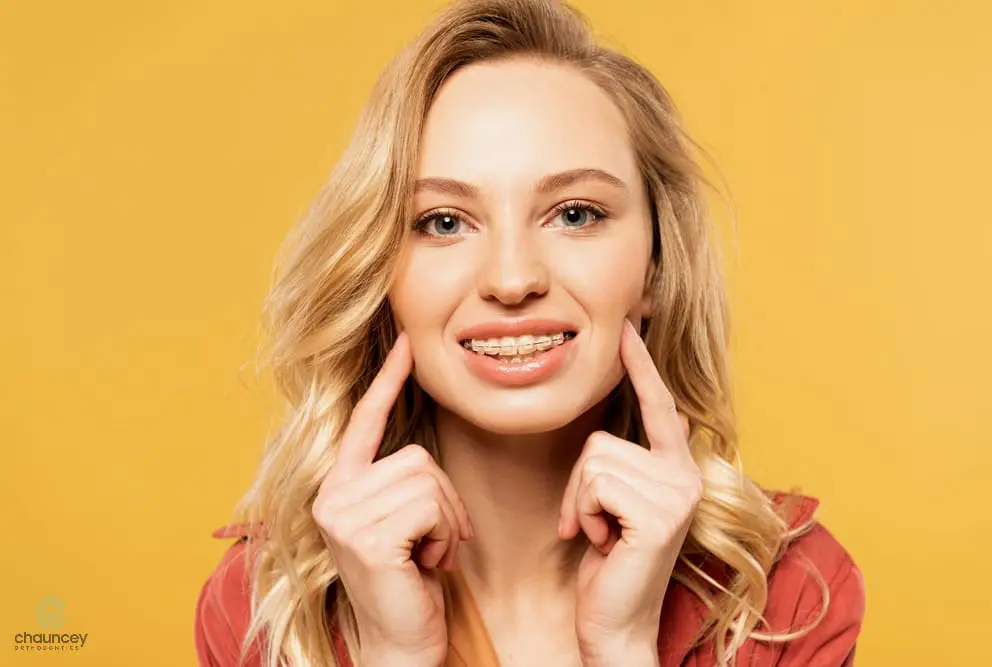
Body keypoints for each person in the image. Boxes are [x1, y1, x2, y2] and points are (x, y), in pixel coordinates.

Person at [194, 0, 865, 665]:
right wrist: (393, 654)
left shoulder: (786, 594)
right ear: (382, 275)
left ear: (658, 265)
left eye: (575, 213)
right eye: (444, 221)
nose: (512, 280)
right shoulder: (263, 606)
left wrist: (624, 647)